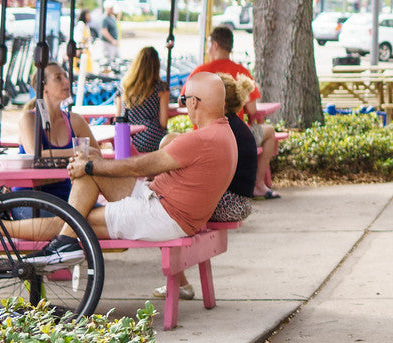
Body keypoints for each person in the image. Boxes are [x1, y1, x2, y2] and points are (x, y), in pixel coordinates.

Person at [20, 72, 235, 267]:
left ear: (195, 103)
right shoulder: (223, 134)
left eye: (184, 100)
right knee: (88, 172)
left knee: (77, 219)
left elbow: (140, 166)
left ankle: (1, 229)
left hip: (164, 216)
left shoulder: (201, 139)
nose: (183, 106)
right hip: (159, 201)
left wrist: (90, 166)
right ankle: (65, 242)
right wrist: (92, 164)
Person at [153, 72, 259, 300]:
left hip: (231, 202)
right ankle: (180, 282)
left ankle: (180, 283)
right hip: (239, 200)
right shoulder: (232, 126)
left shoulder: (219, 129)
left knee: (167, 205)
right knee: (169, 200)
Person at [190, 25, 280, 198]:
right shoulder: (241, 71)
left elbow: (185, 103)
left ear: (215, 45)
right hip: (238, 136)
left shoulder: (200, 72)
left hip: (204, 135)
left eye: (209, 44)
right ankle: (258, 184)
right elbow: (253, 110)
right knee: (269, 132)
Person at [18, 63, 101, 202]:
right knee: (75, 221)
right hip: (31, 199)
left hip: (69, 198)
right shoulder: (28, 119)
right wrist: (79, 151)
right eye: (58, 78)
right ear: (43, 87)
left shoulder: (75, 120)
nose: (66, 81)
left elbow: (97, 155)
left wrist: (85, 153)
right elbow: (37, 156)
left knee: (107, 219)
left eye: (65, 76)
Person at [117, 46, 170, 153]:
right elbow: (163, 123)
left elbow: (119, 118)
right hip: (151, 137)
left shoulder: (125, 87)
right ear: (156, 66)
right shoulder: (161, 88)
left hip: (128, 139)